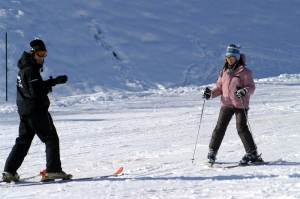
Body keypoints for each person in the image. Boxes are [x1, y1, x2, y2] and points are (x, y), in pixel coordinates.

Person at [2, 39, 70, 182]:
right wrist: (51, 84)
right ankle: (53, 171)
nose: (42, 57)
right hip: (35, 110)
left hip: (25, 110)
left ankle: (9, 172)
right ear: (33, 53)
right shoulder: (30, 70)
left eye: (45, 53)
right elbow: (36, 92)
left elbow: (34, 87)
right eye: (40, 53)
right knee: (51, 138)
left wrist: (53, 82)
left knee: (23, 141)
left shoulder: (25, 68)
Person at [202, 44, 263, 165]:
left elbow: (251, 87)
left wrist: (245, 90)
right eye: (227, 57)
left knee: (241, 128)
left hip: (240, 104)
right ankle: (212, 152)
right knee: (219, 128)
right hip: (226, 104)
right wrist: (211, 94)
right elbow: (219, 88)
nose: (229, 60)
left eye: (231, 57)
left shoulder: (245, 72)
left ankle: (252, 153)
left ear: (237, 58)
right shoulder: (224, 71)